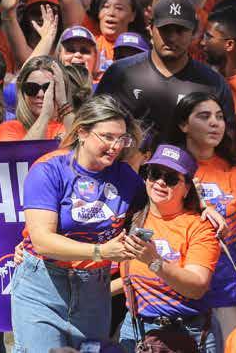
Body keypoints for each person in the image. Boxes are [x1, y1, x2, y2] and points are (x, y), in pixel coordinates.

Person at [12, 94, 144, 351]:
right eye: (107, 137)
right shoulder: (49, 169)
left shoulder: (126, 177)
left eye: (122, 139)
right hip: (43, 286)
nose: (116, 146)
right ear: (82, 132)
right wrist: (101, 251)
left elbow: (159, 208)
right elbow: (42, 241)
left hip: (94, 289)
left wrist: (201, 206)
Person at [165, 92, 236, 343]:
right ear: (183, 125)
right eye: (204, 116)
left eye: (220, 117)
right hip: (173, 293)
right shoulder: (164, 171)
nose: (215, 123)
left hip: (225, 292)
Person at [118, 144, 221, 352]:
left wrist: (155, 262)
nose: (160, 182)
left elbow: (196, 287)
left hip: (189, 333)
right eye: (155, 174)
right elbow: (135, 278)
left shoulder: (200, 226)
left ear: (187, 188)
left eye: (172, 179)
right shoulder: (131, 215)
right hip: (137, 329)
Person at [96, 0, 235, 146]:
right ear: (150, 29)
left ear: (194, 33)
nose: (172, 38)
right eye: (165, 29)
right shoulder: (120, 73)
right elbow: (96, 127)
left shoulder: (213, 84)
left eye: (180, 30)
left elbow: (226, 144)